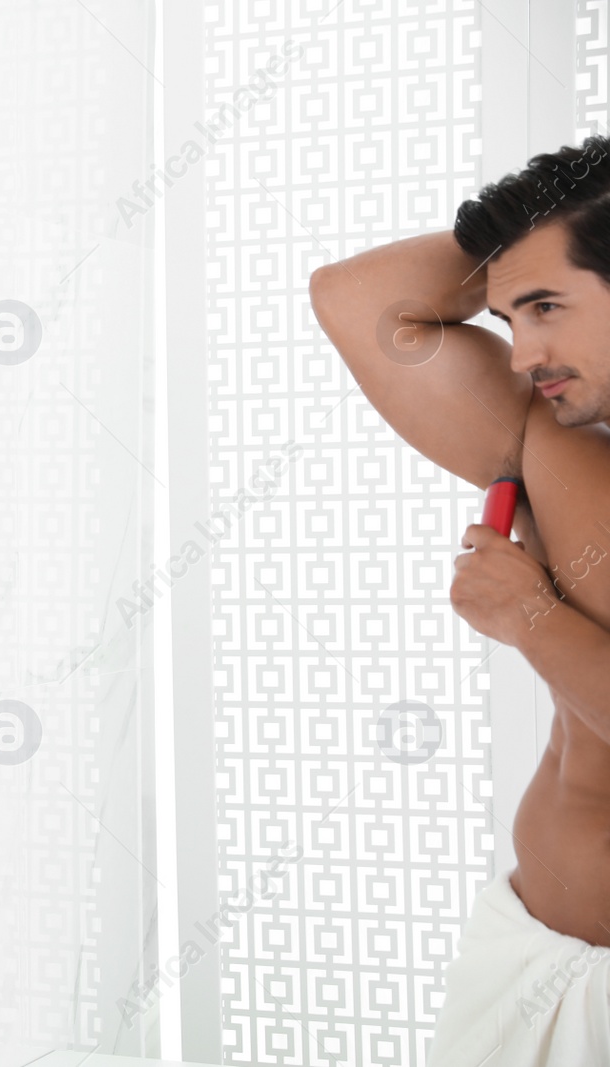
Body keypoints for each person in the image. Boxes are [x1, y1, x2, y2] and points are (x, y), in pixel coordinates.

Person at [311, 136, 610, 1065]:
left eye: (545, 308)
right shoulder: (556, 440)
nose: (520, 354)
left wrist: (529, 615)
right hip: (524, 954)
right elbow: (356, 300)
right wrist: (540, 226)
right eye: (505, 315)